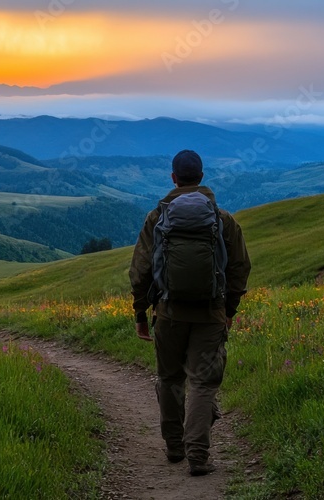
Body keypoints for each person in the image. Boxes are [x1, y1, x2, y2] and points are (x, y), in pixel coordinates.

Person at [129, 149, 251, 476]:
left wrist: (141, 314)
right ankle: (198, 456)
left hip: (168, 313)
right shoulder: (222, 219)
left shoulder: (158, 218)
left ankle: (173, 446)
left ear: (173, 178)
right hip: (210, 314)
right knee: (202, 383)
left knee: (170, 378)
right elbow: (240, 268)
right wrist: (228, 310)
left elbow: (140, 271)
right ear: (202, 176)